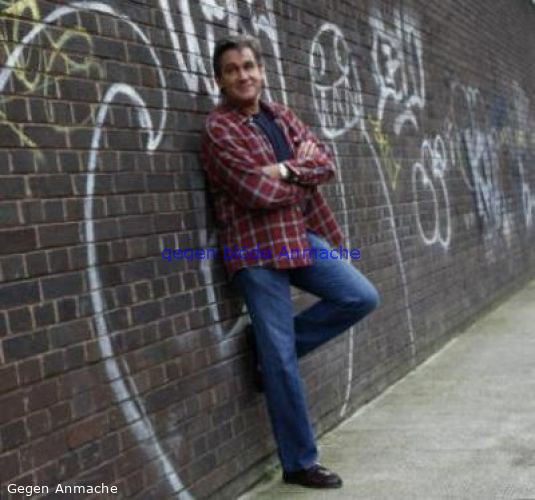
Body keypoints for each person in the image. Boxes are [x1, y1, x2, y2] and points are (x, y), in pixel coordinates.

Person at [200, 34, 380, 489]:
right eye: (231, 70)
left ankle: (267, 351)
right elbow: (253, 192)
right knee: (280, 361)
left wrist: (283, 170)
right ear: (219, 80)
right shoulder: (219, 129)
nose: (242, 75)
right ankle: (299, 462)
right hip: (254, 249)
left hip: (298, 236)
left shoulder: (281, 115)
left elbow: (325, 163)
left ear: (262, 71)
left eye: (248, 66)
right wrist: (300, 176)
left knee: (360, 296)